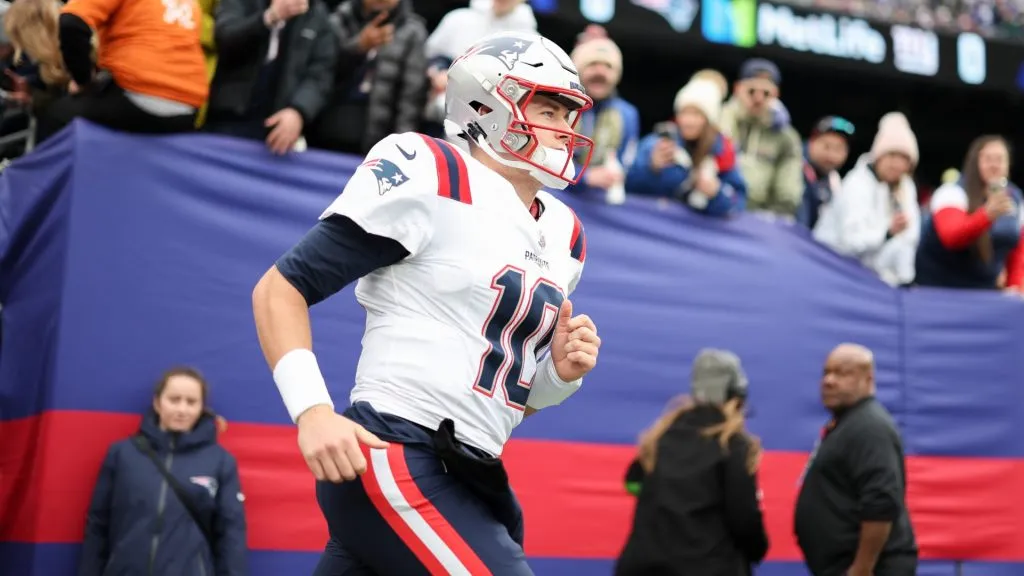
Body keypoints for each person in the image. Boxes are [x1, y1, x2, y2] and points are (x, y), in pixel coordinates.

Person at [251, 30, 603, 575]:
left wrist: (555, 376)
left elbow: (494, 400)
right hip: (400, 451)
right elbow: (280, 289)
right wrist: (312, 411)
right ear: (485, 106)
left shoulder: (564, 234)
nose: (564, 128)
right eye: (548, 110)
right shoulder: (433, 171)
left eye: (568, 114)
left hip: (474, 470)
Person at [79, 367, 248, 576]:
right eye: (174, 399)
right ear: (158, 403)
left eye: (191, 402)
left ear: (201, 408)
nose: (182, 409)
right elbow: (98, 525)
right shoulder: (122, 455)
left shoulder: (220, 462)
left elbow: (231, 535)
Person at [615, 349, 769, 576]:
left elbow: (633, 483)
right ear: (737, 397)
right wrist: (758, 549)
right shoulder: (733, 445)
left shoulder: (662, 436)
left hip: (643, 566)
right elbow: (744, 518)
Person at [794, 344, 918, 576]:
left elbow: (881, 503)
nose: (829, 381)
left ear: (868, 379)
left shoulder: (870, 428)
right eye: (826, 373)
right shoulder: (848, 424)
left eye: (843, 373)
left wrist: (861, 568)